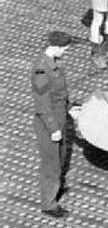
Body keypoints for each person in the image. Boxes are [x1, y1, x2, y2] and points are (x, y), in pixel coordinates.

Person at [32, 31, 73, 217]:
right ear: (55, 46)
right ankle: (48, 204)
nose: (65, 51)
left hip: (60, 115)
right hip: (50, 121)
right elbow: (42, 102)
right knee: (51, 163)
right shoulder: (41, 68)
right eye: (64, 48)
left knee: (62, 155)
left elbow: (60, 93)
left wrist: (70, 109)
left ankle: (56, 188)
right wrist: (53, 128)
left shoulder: (54, 64)